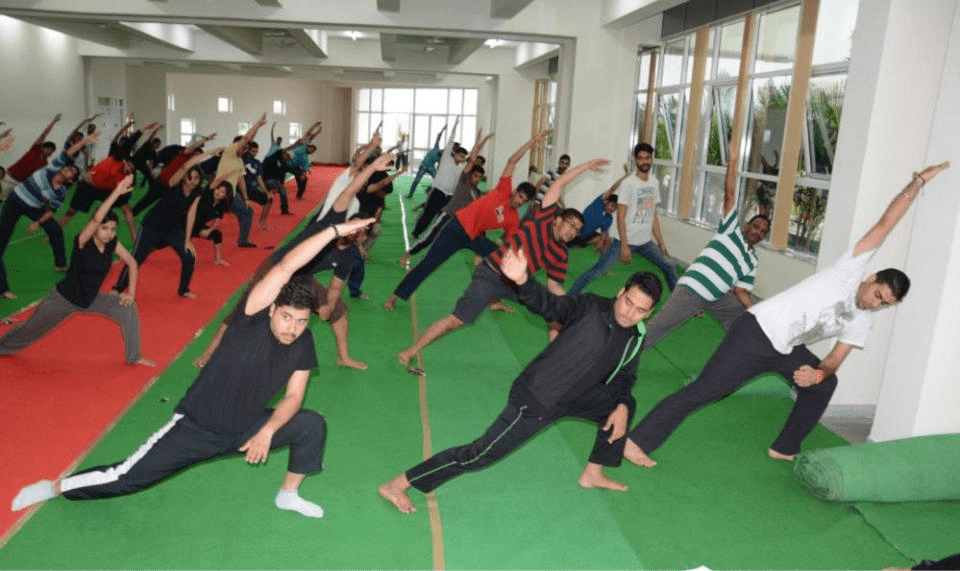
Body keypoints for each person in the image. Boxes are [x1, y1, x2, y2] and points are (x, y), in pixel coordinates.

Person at [10, 217, 374, 518]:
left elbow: (294, 395)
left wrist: (267, 431)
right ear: (271, 308)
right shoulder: (251, 317)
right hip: (198, 427)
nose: (293, 328)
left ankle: (288, 495)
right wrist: (333, 232)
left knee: (311, 424)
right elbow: (284, 267)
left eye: (302, 321)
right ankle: (54, 487)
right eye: (287, 318)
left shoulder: (303, 343)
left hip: (247, 427)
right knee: (125, 477)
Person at [623, 161, 950, 468]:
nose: (877, 304)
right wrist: (917, 183)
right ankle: (636, 441)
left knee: (825, 384)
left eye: (885, 304)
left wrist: (817, 375)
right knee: (704, 391)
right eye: (878, 295)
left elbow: (835, 360)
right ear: (870, 279)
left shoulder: (863, 319)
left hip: (788, 348)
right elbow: (885, 224)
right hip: (756, 331)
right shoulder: (848, 271)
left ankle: (785, 447)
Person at [379, 246, 662, 513]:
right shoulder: (589, 306)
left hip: (576, 397)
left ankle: (593, 472)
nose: (629, 313)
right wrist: (524, 281)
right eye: (628, 303)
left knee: (623, 405)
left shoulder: (636, 336)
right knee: (479, 454)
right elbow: (551, 306)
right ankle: (398, 484)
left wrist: (622, 406)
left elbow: (626, 376)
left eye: (640, 310)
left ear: (649, 314)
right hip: (537, 398)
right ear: (621, 291)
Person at [396, 158, 606, 373]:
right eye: (570, 224)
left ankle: (555, 363)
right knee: (456, 321)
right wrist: (586, 166)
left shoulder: (561, 253)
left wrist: (568, 305)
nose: (572, 231)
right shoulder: (544, 218)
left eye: (577, 230)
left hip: (519, 284)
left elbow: (554, 286)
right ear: (558, 221)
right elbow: (558, 184)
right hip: (492, 275)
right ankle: (410, 351)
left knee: (555, 313)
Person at [191, 152, 396, 371]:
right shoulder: (329, 221)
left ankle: (343, 357)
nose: (356, 232)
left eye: (361, 231)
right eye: (355, 226)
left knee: (340, 313)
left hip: (301, 277)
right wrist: (373, 167)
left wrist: (329, 307)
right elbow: (350, 190)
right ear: (347, 222)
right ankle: (209, 353)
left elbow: (336, 288)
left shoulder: (346, 258)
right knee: (242, 311)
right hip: (276, 267)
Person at [383, 130, 547, 312]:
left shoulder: (513, 219)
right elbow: (512, 161)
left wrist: (518, 255)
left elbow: (510, 241)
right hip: (456, 228)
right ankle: (394, 296)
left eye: (523, 201)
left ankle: (494, 299)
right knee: (428, 263)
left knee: (502, 261)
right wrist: (532, 142)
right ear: (515, 191)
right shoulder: (503, 189)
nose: (519, 201)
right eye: (520, 196)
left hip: (475, 237)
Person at [0, 176, 154, 366]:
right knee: (31, 329)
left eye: (113, 229)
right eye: (105, 228)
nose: (110, 233)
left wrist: (130, 292)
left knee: (128, 308)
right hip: (63, 299)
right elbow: (98, 217)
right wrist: (116, 193)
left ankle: (134, 356)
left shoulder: (112, 243)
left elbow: (131, 262)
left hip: (90, 299)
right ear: (95, 227)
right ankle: (2, 346)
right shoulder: (82, 241)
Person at [641, 143, 770, 350]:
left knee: (741, 322)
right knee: (658, 327)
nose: (758, 232)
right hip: (693, 289)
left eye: (763, 232)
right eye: (756, 226)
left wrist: (754, 311)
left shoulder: (753, 260)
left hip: (717, 297)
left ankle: (737, 359)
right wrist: (733, 162)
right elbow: (729, 196)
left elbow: (741, 291)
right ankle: (618, 358)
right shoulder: (731, 230)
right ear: (747, 225)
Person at [0, 131, 99, 299]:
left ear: (70, 180)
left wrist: (38, 223)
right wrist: (84, 142)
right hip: (15, 201)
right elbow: (67, 153)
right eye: (67, 167)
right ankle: (2, 289)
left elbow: (50, 212)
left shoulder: (60, 193)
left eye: (71, 172)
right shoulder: (51, 169)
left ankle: (60, 264)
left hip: (34, 207)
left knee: (55, 230)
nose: (67, 169)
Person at [569, 143, 677, 294]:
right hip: (624, 241)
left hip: (645, 242)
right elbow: (620, 217)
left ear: (651, 160)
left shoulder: (654, 183)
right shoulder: (628, 184)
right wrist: (625, 246)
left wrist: (661, 242)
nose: (644, 161)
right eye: (640, 158)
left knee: (669, 266)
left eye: (647, 158)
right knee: (597, 271)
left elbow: (653, 216)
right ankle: (569, 297)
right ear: (636, 160)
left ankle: (677, 303)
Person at [398, 127, 495, 267]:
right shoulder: (463, 180)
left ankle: (483, 257)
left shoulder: (477, 192)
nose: (477, 178)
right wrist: (480, 141)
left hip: (461, 221)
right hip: (448, 215)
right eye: (475, 175)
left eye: (480, 177)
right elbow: (472, 158)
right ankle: (408, 253)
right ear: (470, 174)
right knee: (429, 238)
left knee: (477, 236)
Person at [411, 115, 467, 237]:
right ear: (454, 154)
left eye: (463, 157)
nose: (461, 158)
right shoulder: (447, 158)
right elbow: (450, 141)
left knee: (443, 218)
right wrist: (455, 127)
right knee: (428, 214)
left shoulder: (460, 169)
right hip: (437, 192)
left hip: (449, 197)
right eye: (460, 155)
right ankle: (416, 232)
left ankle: (436, 236)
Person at [4, 113, 61, 183]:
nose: (49, 151)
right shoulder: (35, 150)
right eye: (48, 148)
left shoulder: (45, 164)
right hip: (8, 176)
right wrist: (53, 122)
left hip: (19, 183)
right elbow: (43, 135)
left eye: (52, 150)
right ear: (42, 147)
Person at [190, 179, 233, 266]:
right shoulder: (207, 196)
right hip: (186, 224)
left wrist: (208, 231)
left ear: (226, 196)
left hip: (199, 227)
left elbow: (216, 224)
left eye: (222, 192)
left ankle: (218, 259)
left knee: (217, 234)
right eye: (218, 189)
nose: (218, 192)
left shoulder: (221, 205)